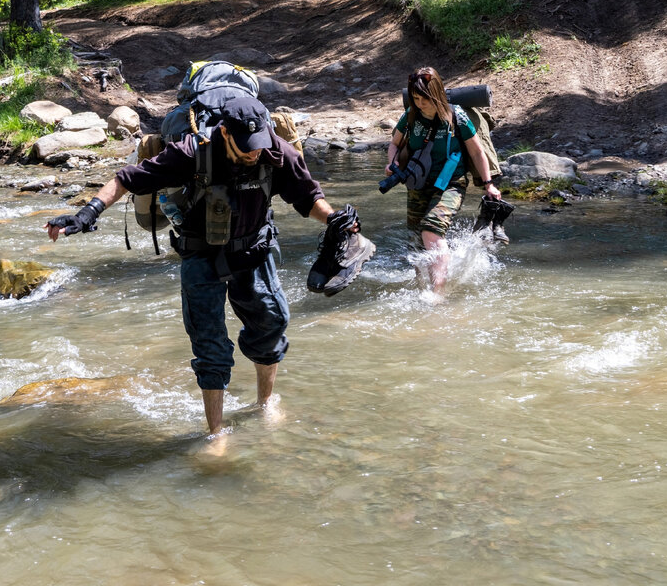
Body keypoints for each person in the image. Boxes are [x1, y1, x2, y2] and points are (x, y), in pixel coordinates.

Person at [46, 96, 372, 436]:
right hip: (201, 256)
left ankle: (265, 403)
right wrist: (88, 212)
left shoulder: (275, 151)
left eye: (258, 144)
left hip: (254, 251)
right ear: (226, 134)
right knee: (210, 345)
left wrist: (335, 219)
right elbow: (127, 179)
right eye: (246, 146)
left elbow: (308, 198)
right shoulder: (192, 151)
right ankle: (215, 432)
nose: (254, 152)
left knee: (271, 325)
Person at [385, 67, 502, 293]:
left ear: (437, 93)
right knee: (416, 240)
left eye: (425, 99)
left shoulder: (456, 116)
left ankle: (437, 293)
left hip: (451, 183)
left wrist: (489, 184)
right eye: (416, 98)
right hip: (418, 182)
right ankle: (421, 289)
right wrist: (392, 162)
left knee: (431, 229)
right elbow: (394, 144)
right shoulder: (410, 115)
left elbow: (478, 153)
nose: (420, 103)